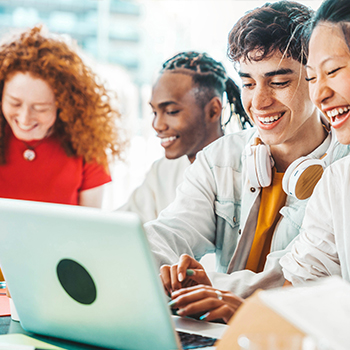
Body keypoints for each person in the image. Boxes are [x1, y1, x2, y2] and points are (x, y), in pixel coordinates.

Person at [144, 1, 350, 324]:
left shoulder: (340, 172)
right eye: (248, 84)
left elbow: (300, 284)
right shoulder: (220, 159)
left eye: (279, 82)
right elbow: (168, 233)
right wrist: (161, 272)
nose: (259, 101)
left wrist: (209, 287)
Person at [118, 51, 250, 223]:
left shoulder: (247, 171)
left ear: (213, 110)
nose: (157, 125)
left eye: (171, 111)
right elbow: (120, 223)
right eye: (154, 112)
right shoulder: (162, 171)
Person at [0, 25, 124, 208]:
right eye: (14, 103)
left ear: (64, 105)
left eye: (40, 108)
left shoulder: (87, 147)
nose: (25, 118)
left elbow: (89, 226)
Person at [280, 0, 350, 285]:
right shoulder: (338, 181)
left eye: (332, 71)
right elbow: (300, 282)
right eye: (311, 77)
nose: (318, 94)